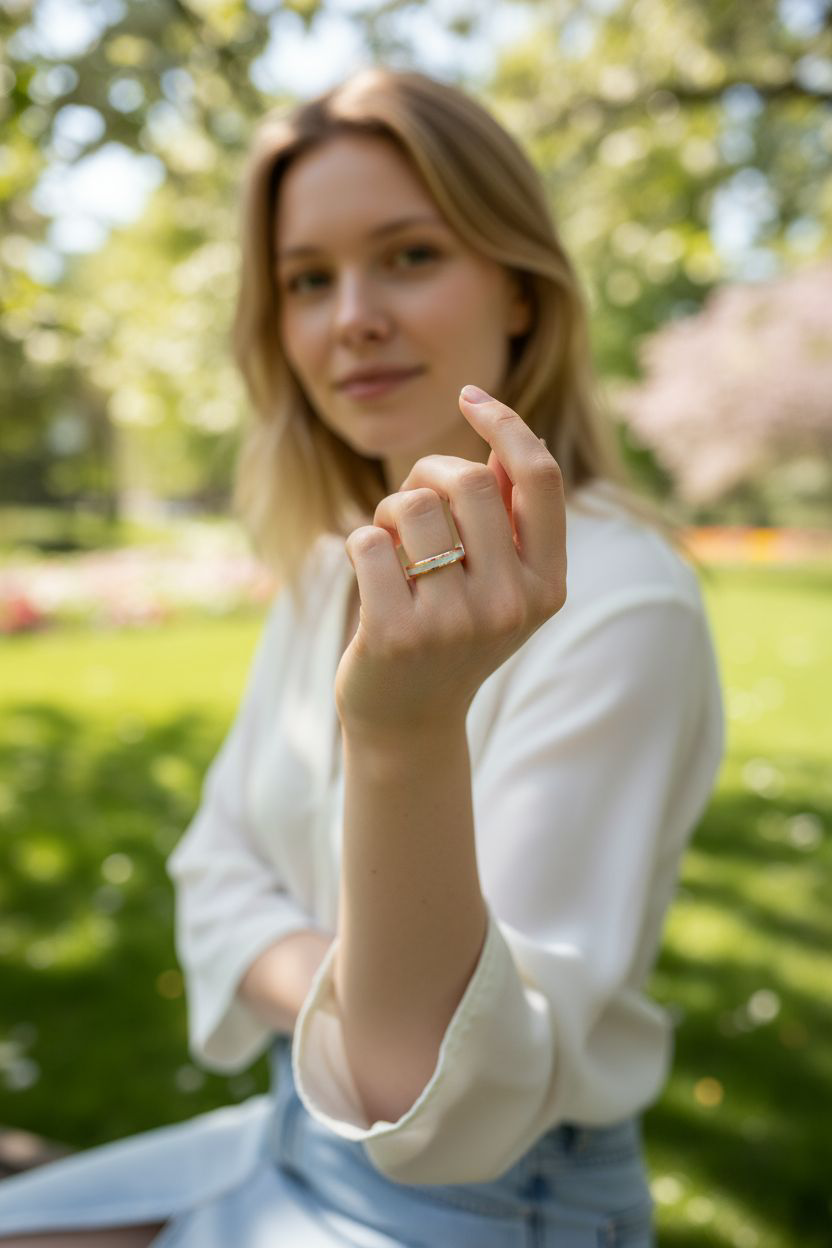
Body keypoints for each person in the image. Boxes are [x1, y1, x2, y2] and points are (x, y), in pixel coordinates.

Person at [0, 66, 724, 1247]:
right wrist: (351, 992)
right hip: (282, 1138)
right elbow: (210, 877)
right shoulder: (334, 564)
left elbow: (431, 1098)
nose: (351, 318)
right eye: (307, 279)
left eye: (409, 256)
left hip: (488, 1208)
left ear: (521, 290)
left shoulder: (620, 601)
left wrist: (403, 735)